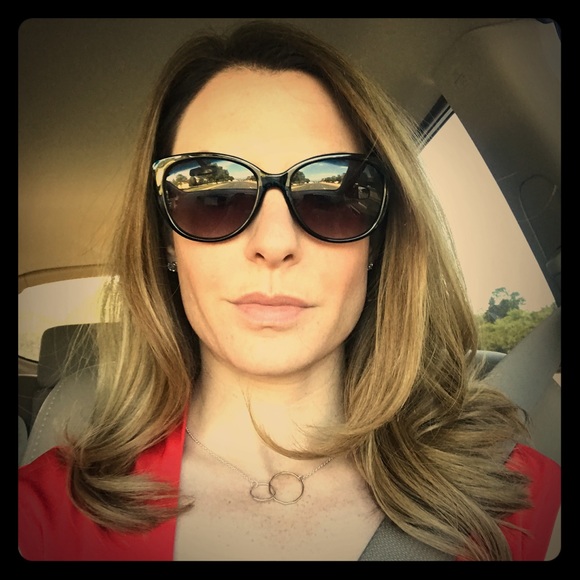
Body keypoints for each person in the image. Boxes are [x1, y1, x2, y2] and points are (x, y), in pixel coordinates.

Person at [18, 20, 560, 561]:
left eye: (331, 195)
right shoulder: (39, 517)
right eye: (213, 195)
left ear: (377, 241)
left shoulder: (524, 504)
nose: (274, 243)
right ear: (166, 239)